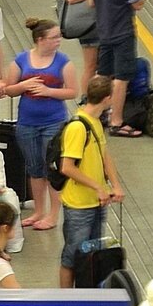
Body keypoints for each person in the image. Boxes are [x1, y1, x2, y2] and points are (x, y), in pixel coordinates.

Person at [1, 17, 77, 232]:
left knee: (51, 167)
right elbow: (8, 89)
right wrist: (24, 85)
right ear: (40, 40)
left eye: (58, 37)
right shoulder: (21, 60)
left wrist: (49, 91)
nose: (58, 41)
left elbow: (73, 91)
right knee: (34, 168)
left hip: (53, 121)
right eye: (54, 38)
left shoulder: (63, 62)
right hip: (27, 122)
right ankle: (39, 211)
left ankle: (53, 214)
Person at [57, 76, 124, 288]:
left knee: (93, 254)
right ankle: (66, 300)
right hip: (79, 205)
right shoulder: (78, 127)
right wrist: (98, 186)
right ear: (107, 98)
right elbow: (67, 167)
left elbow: (104, 155)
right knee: (73, 254)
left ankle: (88, 293)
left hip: (96, 202)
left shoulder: (95, 122)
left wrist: (115, 185)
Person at [63, 0, 149, 135]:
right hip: (123, 33)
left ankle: (92, 113)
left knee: (102, 74)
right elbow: (138, 4)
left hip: (104, 33)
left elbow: (91, 3)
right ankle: (116, 122)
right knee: (121, 78)